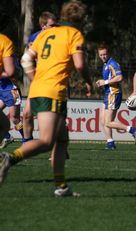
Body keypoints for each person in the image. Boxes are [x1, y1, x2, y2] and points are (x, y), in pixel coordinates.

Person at [0, 0, 92, 197]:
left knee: (61, 140)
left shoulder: (46, 33)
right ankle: (10, 158)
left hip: (39, 87)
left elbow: (25, 59)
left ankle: (61, 186)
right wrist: (89, 82)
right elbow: (80, 65)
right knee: (47, 141)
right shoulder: (74, 34)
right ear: (80, 19)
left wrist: (35, 77)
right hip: (53, 90)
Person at [22, 11, 57, 144]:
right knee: (26, 115)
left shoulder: (59, 38)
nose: (55, 28)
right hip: (38, 82)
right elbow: (26, 58)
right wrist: (33, 74)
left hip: (53, 82)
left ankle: (59, 146)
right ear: (43, 26)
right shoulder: (34, 38)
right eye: (51, 25)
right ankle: (27, 144)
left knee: (53, 117)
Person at [96, 45, 136, 149]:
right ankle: (110, 143)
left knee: (108, 122)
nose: (103, 56)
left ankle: (132, 130)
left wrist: (105, 82)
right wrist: (102, 82)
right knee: (102, 119)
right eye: (101, 55)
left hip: (113, 94)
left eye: (105, 54)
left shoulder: (113, 63)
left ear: (109, 53)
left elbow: (119, 77)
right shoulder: (106, 64)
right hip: (108, 94)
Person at [0, 54, 25, 149]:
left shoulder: (9, 56)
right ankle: (7, 137)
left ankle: (26, 139)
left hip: (12, 90)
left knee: (15, 119)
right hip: (2, 91)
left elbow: (15, 72)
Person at [0, 32, 15, 146]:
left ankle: (26, 141)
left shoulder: (4, 41)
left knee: (14, 119)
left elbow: (10, 72)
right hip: (4, 88)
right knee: (6, 123)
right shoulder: (4, 41)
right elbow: (10, 71)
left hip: (10, 90)